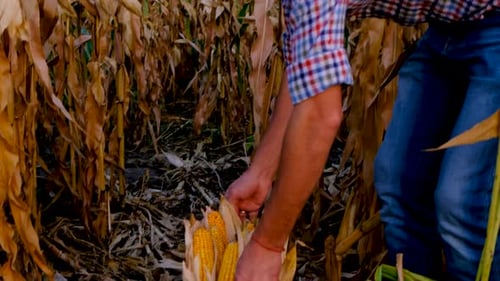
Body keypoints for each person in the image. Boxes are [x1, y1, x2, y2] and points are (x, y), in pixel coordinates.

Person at [225, 1, 500, 280]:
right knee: (397, 184)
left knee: (464, 205)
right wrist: (261, 172)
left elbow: (321, 113)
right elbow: (306, 70)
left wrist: (267, 244)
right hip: (447, 31)